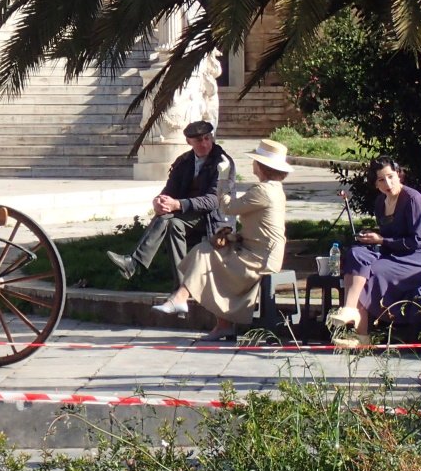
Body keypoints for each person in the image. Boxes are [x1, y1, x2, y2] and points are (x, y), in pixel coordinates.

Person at [151, 139, 290, 342]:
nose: (252, 164)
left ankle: (184, 299)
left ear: (261, 166)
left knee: (209, 259)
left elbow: (227, 207)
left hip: (260, 257)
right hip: (253, 249)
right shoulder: (271, 189)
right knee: (205, 250)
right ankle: (201, 311)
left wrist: (222, 181)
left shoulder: (264, 191)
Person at [326, 156, 421, 347]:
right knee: (356, 254)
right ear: (375, 184)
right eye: (381, 180)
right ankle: (351, 311)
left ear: (398, 175)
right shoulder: (380, 203)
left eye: (391, 176)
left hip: (416, 259)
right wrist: (372, 238)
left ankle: (361, 334)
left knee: (371, 273)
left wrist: (382, 240)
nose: (388, 183)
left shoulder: (412, 200)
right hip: (392, 253)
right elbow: (387, 236)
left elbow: (417, 241)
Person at [106, 120, 235, 283]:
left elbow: (214, 201)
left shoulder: (223, 163)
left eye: (207, 138)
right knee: (173, 225)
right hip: (186, 215)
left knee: (166, 218)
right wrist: (158, 202)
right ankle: (182, 287)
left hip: (214, 219)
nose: (204, 144)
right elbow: (170, 190)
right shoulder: (184, 161)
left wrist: (178, 204)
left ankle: (134, 262)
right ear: (189, 142)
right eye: (199, 140)